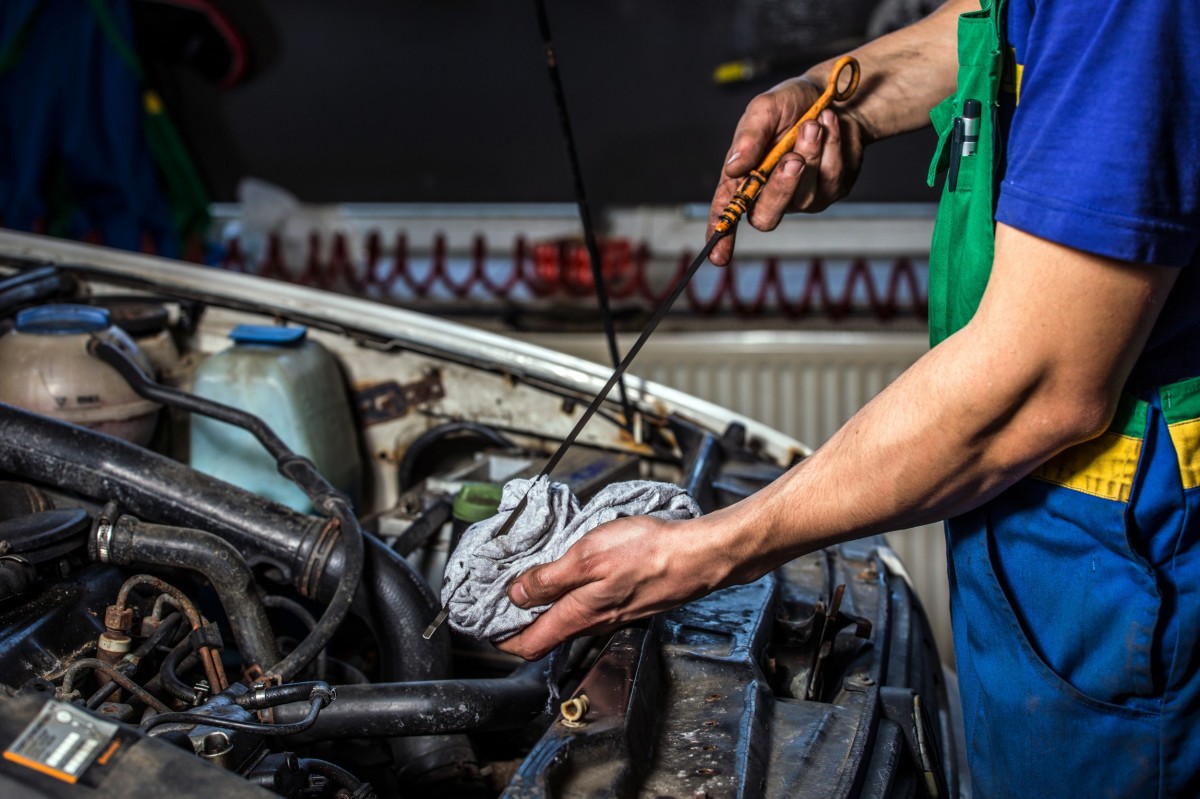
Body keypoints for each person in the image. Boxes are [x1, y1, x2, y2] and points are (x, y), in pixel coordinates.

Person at [498, 0, 1200, 794]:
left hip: (1136, 559)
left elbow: (1041, 383)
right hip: (1045, 527)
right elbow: (1006, 19)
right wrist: (842, 97)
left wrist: (703, 551)